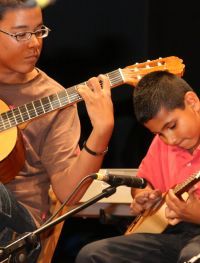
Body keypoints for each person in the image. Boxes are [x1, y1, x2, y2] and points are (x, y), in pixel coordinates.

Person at [0, 0, 114, 262]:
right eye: (20, 34)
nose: (34, 43)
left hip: (19, 233)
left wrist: (102, 130)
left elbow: (68, 194)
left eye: (39, 31)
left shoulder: (54, 97)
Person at [76, 70, 200, 263]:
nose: (170, 139)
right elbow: (142, 184)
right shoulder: (162, 144)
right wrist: (144, 197)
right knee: (93, 255)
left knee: (192, 257)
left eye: (172, 126)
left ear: (192, 102)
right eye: (159, 133)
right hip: (173, 233)